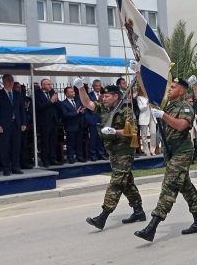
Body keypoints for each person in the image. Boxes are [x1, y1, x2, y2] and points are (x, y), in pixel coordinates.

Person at [135, 77, 197, 242]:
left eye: (173, 87)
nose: (169, 89)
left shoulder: (185, 107)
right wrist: (139, 73)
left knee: (169, 185)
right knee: (185, 186)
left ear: (181, 91)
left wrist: (163, 115)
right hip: (171, 152)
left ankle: (152, 226)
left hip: (182, 151)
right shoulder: (166, 104)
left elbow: (182, 125)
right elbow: (149, 93)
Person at [75, 81, 145, 230]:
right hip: (112, 152)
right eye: (103, 96)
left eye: (106, 96)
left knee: (116, 183)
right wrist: (81, 88)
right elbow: (87, 103)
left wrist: (115, 132)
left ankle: (103, 216)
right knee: (127, 183)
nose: (104, 98)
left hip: (124, 151)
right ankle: (138, 211)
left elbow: (132, 132)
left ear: (115, 96)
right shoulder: (104, 109)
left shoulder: (126, 110)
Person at [0, 74, 27, 176]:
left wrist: (23, 123)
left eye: (11, 80)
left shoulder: (17, 94)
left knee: (16, 146)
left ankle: (15, 166)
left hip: (16, 124)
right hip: (4, 125)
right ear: (4, 82)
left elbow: (22, 110)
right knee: (5, 147)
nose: (11, 82)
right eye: (8, 81)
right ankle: (6, 168)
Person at [35, 79, 61, 166]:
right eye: (48, 84)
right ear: (42, 85)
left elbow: (58, 105)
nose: (50, 86)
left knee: (53, 140)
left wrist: (56, 101)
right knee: (45, 141)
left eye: (51, 84)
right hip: (44, 121)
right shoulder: (37, 93)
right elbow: (38, 107)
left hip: (54, 120)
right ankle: (45, 159)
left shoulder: (52, 92)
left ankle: (53, 158)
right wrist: (50, 101)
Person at [59, 87, 85, 164]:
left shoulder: (78, 101)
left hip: (79, 125)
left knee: (79, 142)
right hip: (70, 125)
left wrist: (82, 112)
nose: (73, 93)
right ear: (66, 94)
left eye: (73, 91)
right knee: (70, 143)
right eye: (71, 92)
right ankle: (70, 157)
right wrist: (76, 113)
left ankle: (79, 156)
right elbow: (65, 114)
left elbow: (80, 111)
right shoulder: (63, 103)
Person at [86, 80, 107, 161]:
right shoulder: (89, 95)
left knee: (101, 138)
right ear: (93, 86)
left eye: (99, 86)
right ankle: (93, 154)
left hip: (102, 119)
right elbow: (90, 107)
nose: (98, 87)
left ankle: (101, 153)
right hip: (93, 119)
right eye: (96, 86)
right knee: (93, 138)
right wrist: (98, 101)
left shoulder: (103, 95)